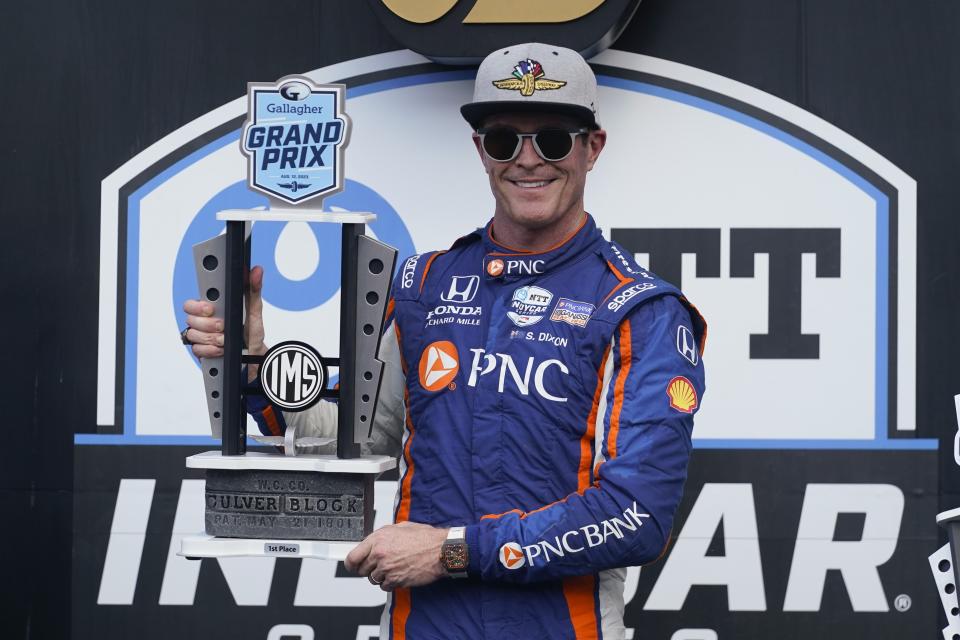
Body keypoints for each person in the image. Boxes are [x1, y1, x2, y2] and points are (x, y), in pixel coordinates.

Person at [183, 42, 706, 640]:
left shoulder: (640, 310)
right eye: (505, 139)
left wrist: (451, 551)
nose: (528, 160)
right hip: (421, 627)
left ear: (593, 148)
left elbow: (635, 516)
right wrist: (256, 369)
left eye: (554, 139)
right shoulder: (424, 285)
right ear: (481, 150)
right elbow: (360, 442)